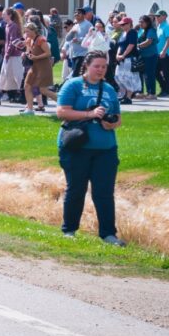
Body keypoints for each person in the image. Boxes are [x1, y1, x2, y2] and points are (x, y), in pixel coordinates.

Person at [55, 51, 125, 247]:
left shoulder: (109, 89)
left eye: (104, 66)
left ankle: (108, 234)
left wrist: (111, 124)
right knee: (76, 189)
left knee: (104, 192)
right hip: (77, 147)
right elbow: (62, 112)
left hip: (106, 148)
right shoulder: (73, 85)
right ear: (86, 66)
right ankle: (69, 230)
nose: (101, 70)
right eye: (97, 66)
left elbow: (118, 118)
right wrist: (90, 113)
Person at [22, 22, 57, 114]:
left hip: (44, 67)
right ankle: (29, 110)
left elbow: (48, 53)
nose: (26, 34)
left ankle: (64, 102)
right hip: (34, 67)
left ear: (34, 31)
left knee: (43, 90)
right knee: (27, 85)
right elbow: (30, 52)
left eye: (28, 32)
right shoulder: (30, 40)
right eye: (25, 32)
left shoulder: (41, 40)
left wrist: (36, 57)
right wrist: (27, 49)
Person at [0, 7, 25, 105]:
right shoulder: (7, 26)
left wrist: (7, 53)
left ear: (9, 15)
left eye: (4, 14)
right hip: (8, 54)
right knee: (8, 75)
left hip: (14, 55)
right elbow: (7, 41)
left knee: (17, 74)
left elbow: (12, 42)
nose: (2, 16)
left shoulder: (13, 26)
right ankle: (12, 94)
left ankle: (22, 93)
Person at [113, 17, 140, 103]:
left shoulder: (132, 32)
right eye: (121, 24)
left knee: (128, 77)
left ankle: (128, 97)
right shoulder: (123, 33)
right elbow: (120, 46)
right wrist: (118, 55)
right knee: (118, 76)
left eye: (124, 24)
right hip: (121, 59)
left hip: (129, 58)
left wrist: (123, 55)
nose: (122, 26)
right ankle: (123, 94)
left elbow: (131, 45)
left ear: (129, 24)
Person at [153, 11, 169, 98]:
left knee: (165, 73)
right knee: (156, 71)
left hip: (166, 54)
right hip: (159, 53)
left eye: (158, 16)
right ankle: (164, 88)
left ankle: (167, 91)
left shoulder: (167, 26)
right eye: (156, 16)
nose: (156, 18)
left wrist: (164, 51)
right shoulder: (159, 26)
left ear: (164, 16)